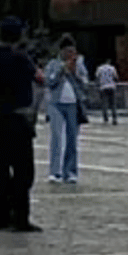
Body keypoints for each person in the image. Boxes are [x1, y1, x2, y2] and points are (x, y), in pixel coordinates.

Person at [0, 17, 44, 232]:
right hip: (19, 117)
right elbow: (39, 77)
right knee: (23, 169)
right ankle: (20, 217)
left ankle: (1, 215)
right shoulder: (20, 57)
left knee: (0, 166)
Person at [44, 36, 89, 185]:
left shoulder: (79, 64)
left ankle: (70, 172)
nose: (71, 54)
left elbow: (85, 83)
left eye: (73, 51)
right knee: (57, 137)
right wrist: (62, 70)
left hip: (73, 104)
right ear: (62, 51)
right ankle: (54, 172)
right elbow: (49, 81)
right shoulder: (53, 64)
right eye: (68, 51)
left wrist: (75, 72)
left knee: (72, 138)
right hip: (56, 103)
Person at [95, 58, 119, 125]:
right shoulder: (112, 68)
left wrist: (98, 85)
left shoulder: (100, 68)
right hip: (112, 86)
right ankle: (114, 118)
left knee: (104, 103)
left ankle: (105, 118)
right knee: (113, 104)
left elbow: (97, 77)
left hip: (103, 87)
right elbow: (116, 77)